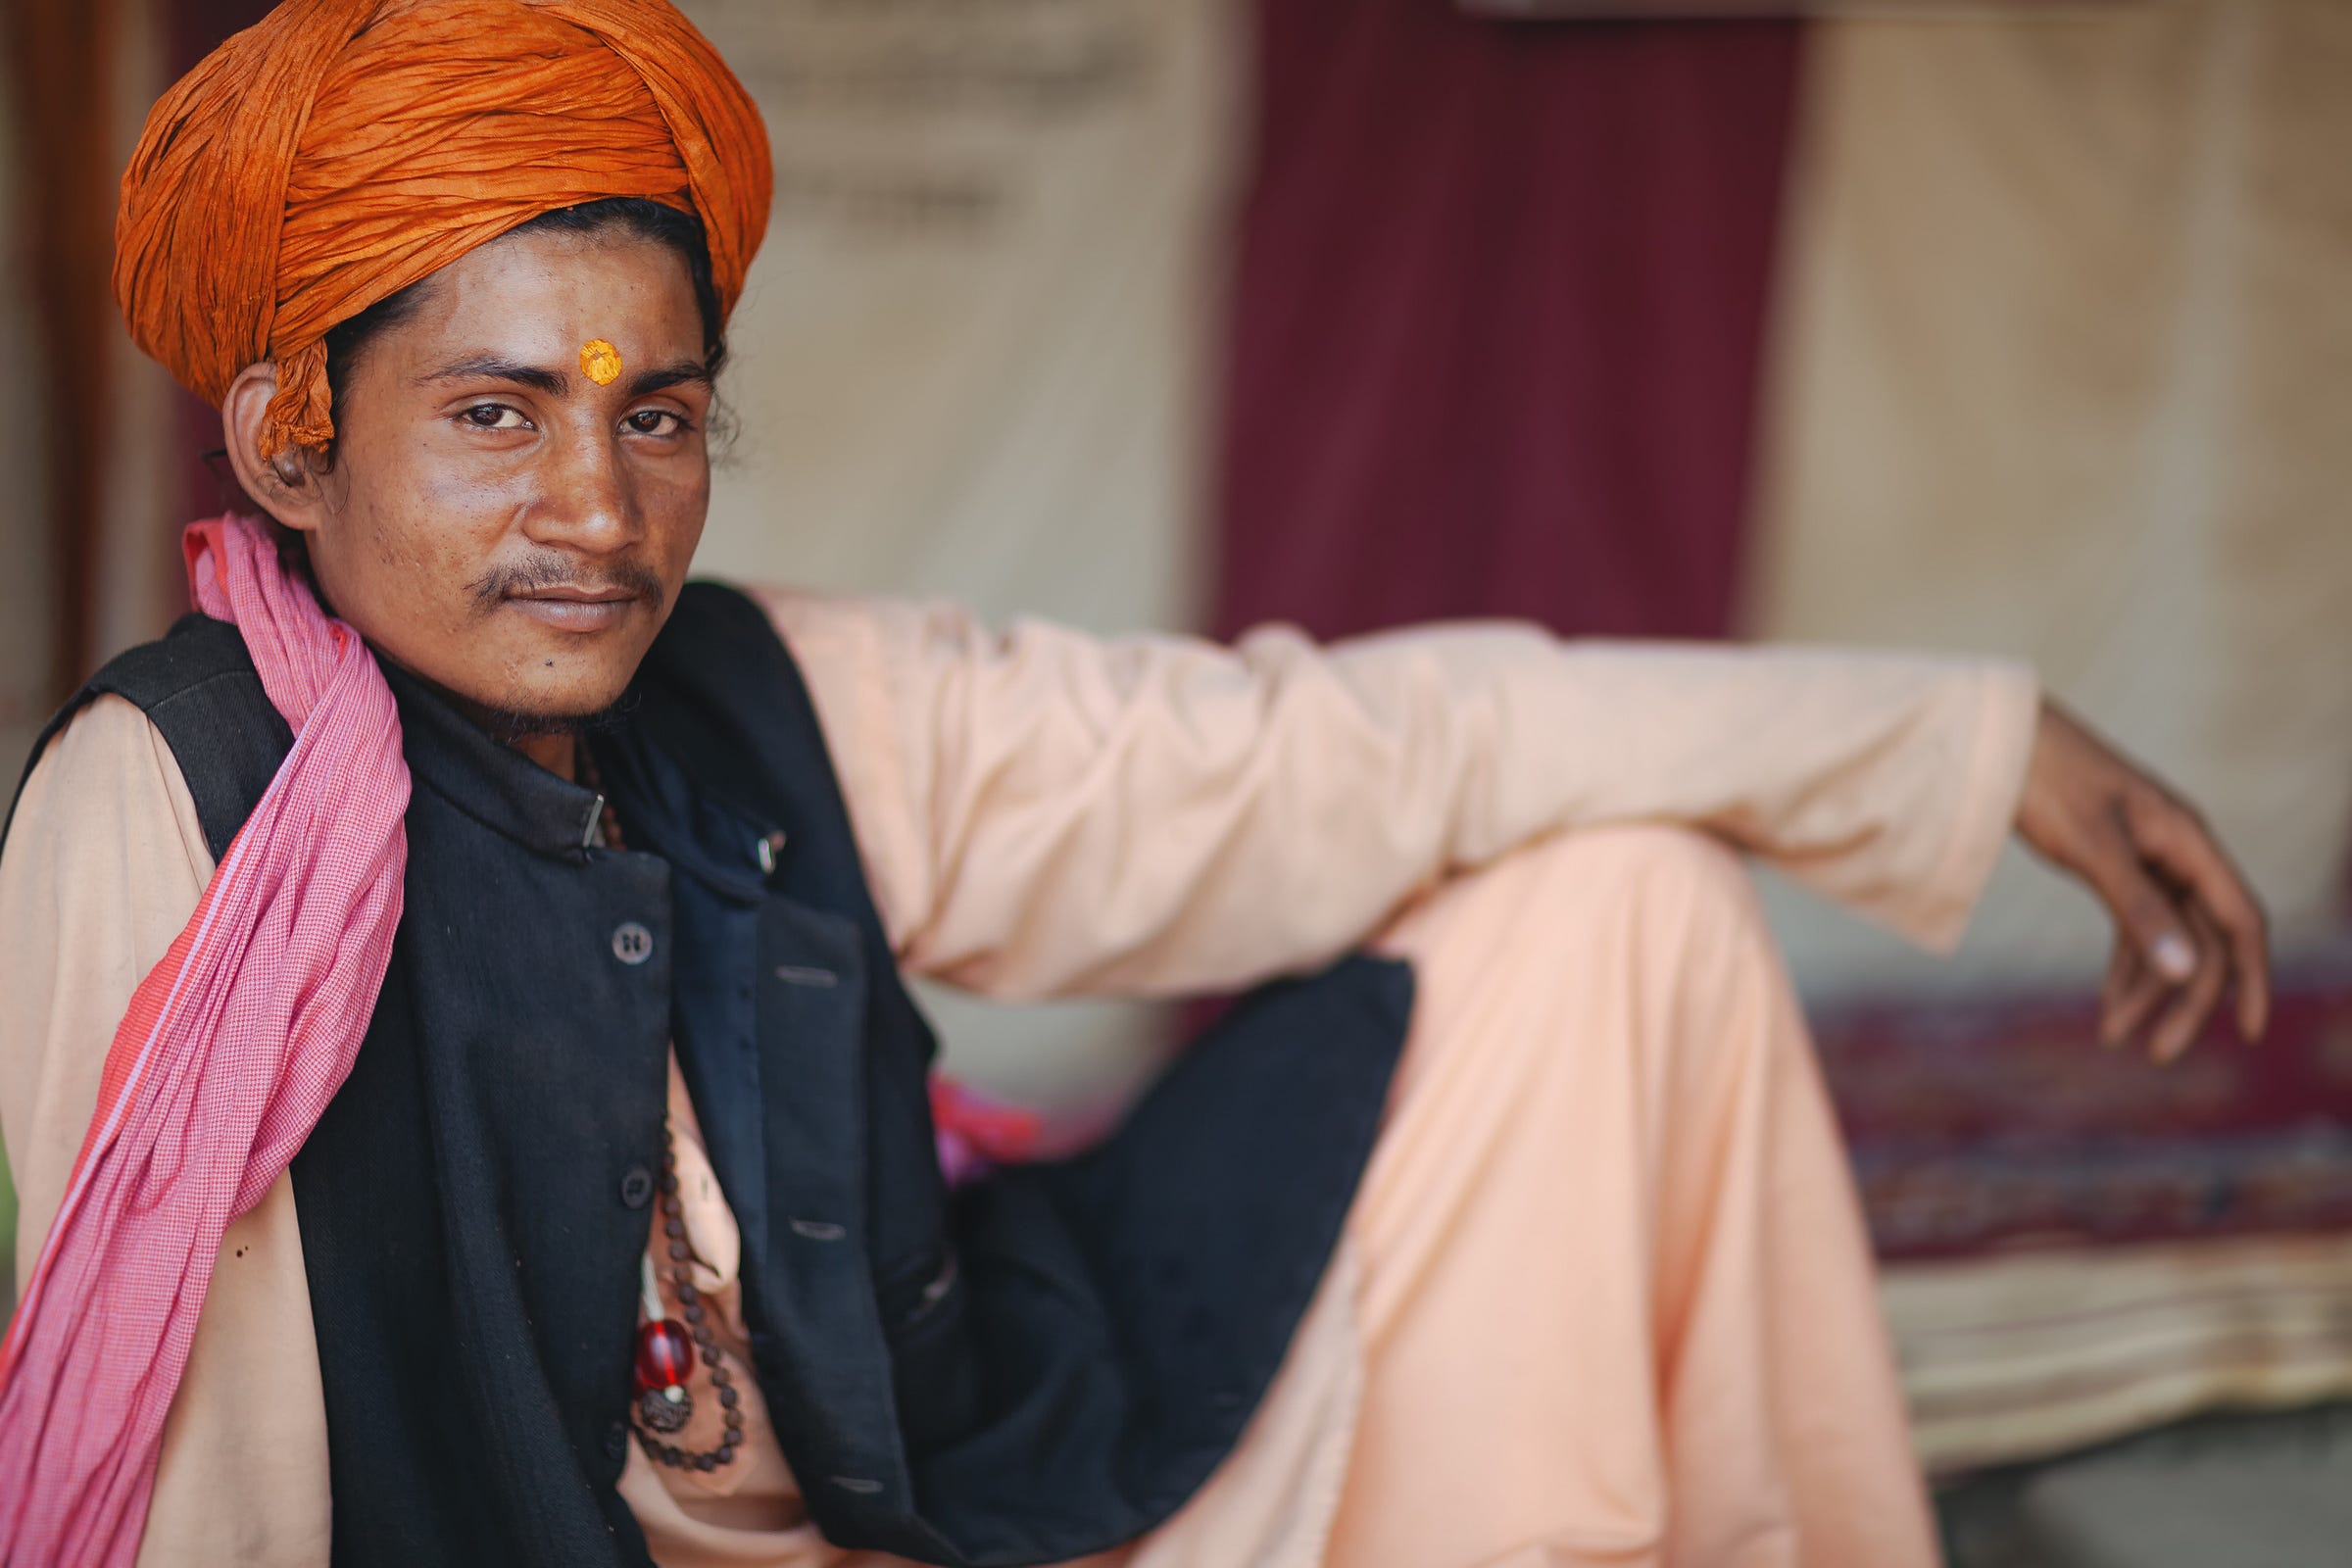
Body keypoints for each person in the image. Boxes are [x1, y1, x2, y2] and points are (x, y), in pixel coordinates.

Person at [0, 3, 2271, 1567]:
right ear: (296, 439)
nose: (599, 509)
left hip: (968, 1495)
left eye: (659, 415)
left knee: (1622, 918)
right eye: (495, 414)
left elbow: (1350, 754)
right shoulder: (173, 800)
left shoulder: (779, 697)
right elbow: (174, 1447)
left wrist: (1967, 746)